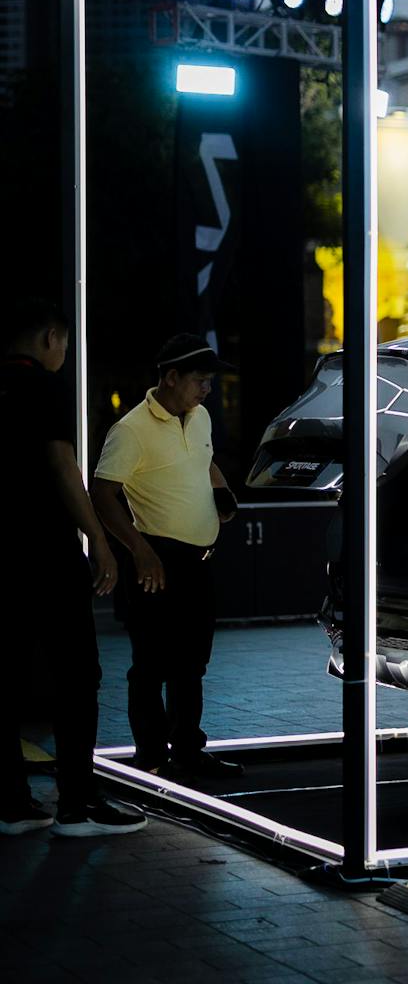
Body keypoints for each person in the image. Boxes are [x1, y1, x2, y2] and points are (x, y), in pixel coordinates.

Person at [0, 298, 146, 836]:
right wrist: (99, 541)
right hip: (44, 552)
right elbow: (63, 468)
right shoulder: (43, 387)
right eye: (64, 342)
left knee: (7, 676)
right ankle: (78, 804)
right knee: (77, 675)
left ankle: (12, 804)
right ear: (50, 338)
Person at [90, 334, 243, 784]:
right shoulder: (131, 430)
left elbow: (206, 462)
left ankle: (189, 752)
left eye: (209, 382)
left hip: (199, 560)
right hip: (157, 562)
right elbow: (102, 492)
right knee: (151, 665)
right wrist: (140, 553)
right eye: (199, 381)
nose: (206, 390)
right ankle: (151, 757)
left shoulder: (199, 418)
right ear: (170, 378)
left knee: (192, 662)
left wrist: (222, 494)